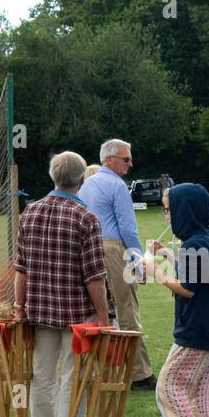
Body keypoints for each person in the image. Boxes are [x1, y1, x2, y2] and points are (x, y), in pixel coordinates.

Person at [13, 150, 114, 417]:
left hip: (39, 309)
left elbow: (21, 268)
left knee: (42, 372)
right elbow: (94, 275)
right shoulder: (86, 218)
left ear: (53, 177)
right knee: (75, 373)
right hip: (77, 312)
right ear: (82, 180)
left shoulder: (29, 213)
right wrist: (103, 314)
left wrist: (19, 307)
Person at [141, 185, 209, 417]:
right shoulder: (206, 239)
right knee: (206, 394)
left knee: (168, 388)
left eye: (169, 210)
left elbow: (189, 288)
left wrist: (155, 271)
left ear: (185, 211)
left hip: (197, 329)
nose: (167, 216)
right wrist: (169, 255)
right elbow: (199, 276)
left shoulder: (194, 244)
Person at [77, 138, 155, 390]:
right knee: (126, 309)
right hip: (113, 250)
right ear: (110, 159)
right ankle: (139, 374)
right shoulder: (117, 185)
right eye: (126, 159)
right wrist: (140, 262)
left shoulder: (85, 186)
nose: (130, 164)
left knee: (97, 311)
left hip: (87, 249)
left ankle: (99, 371)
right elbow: (128, 229)